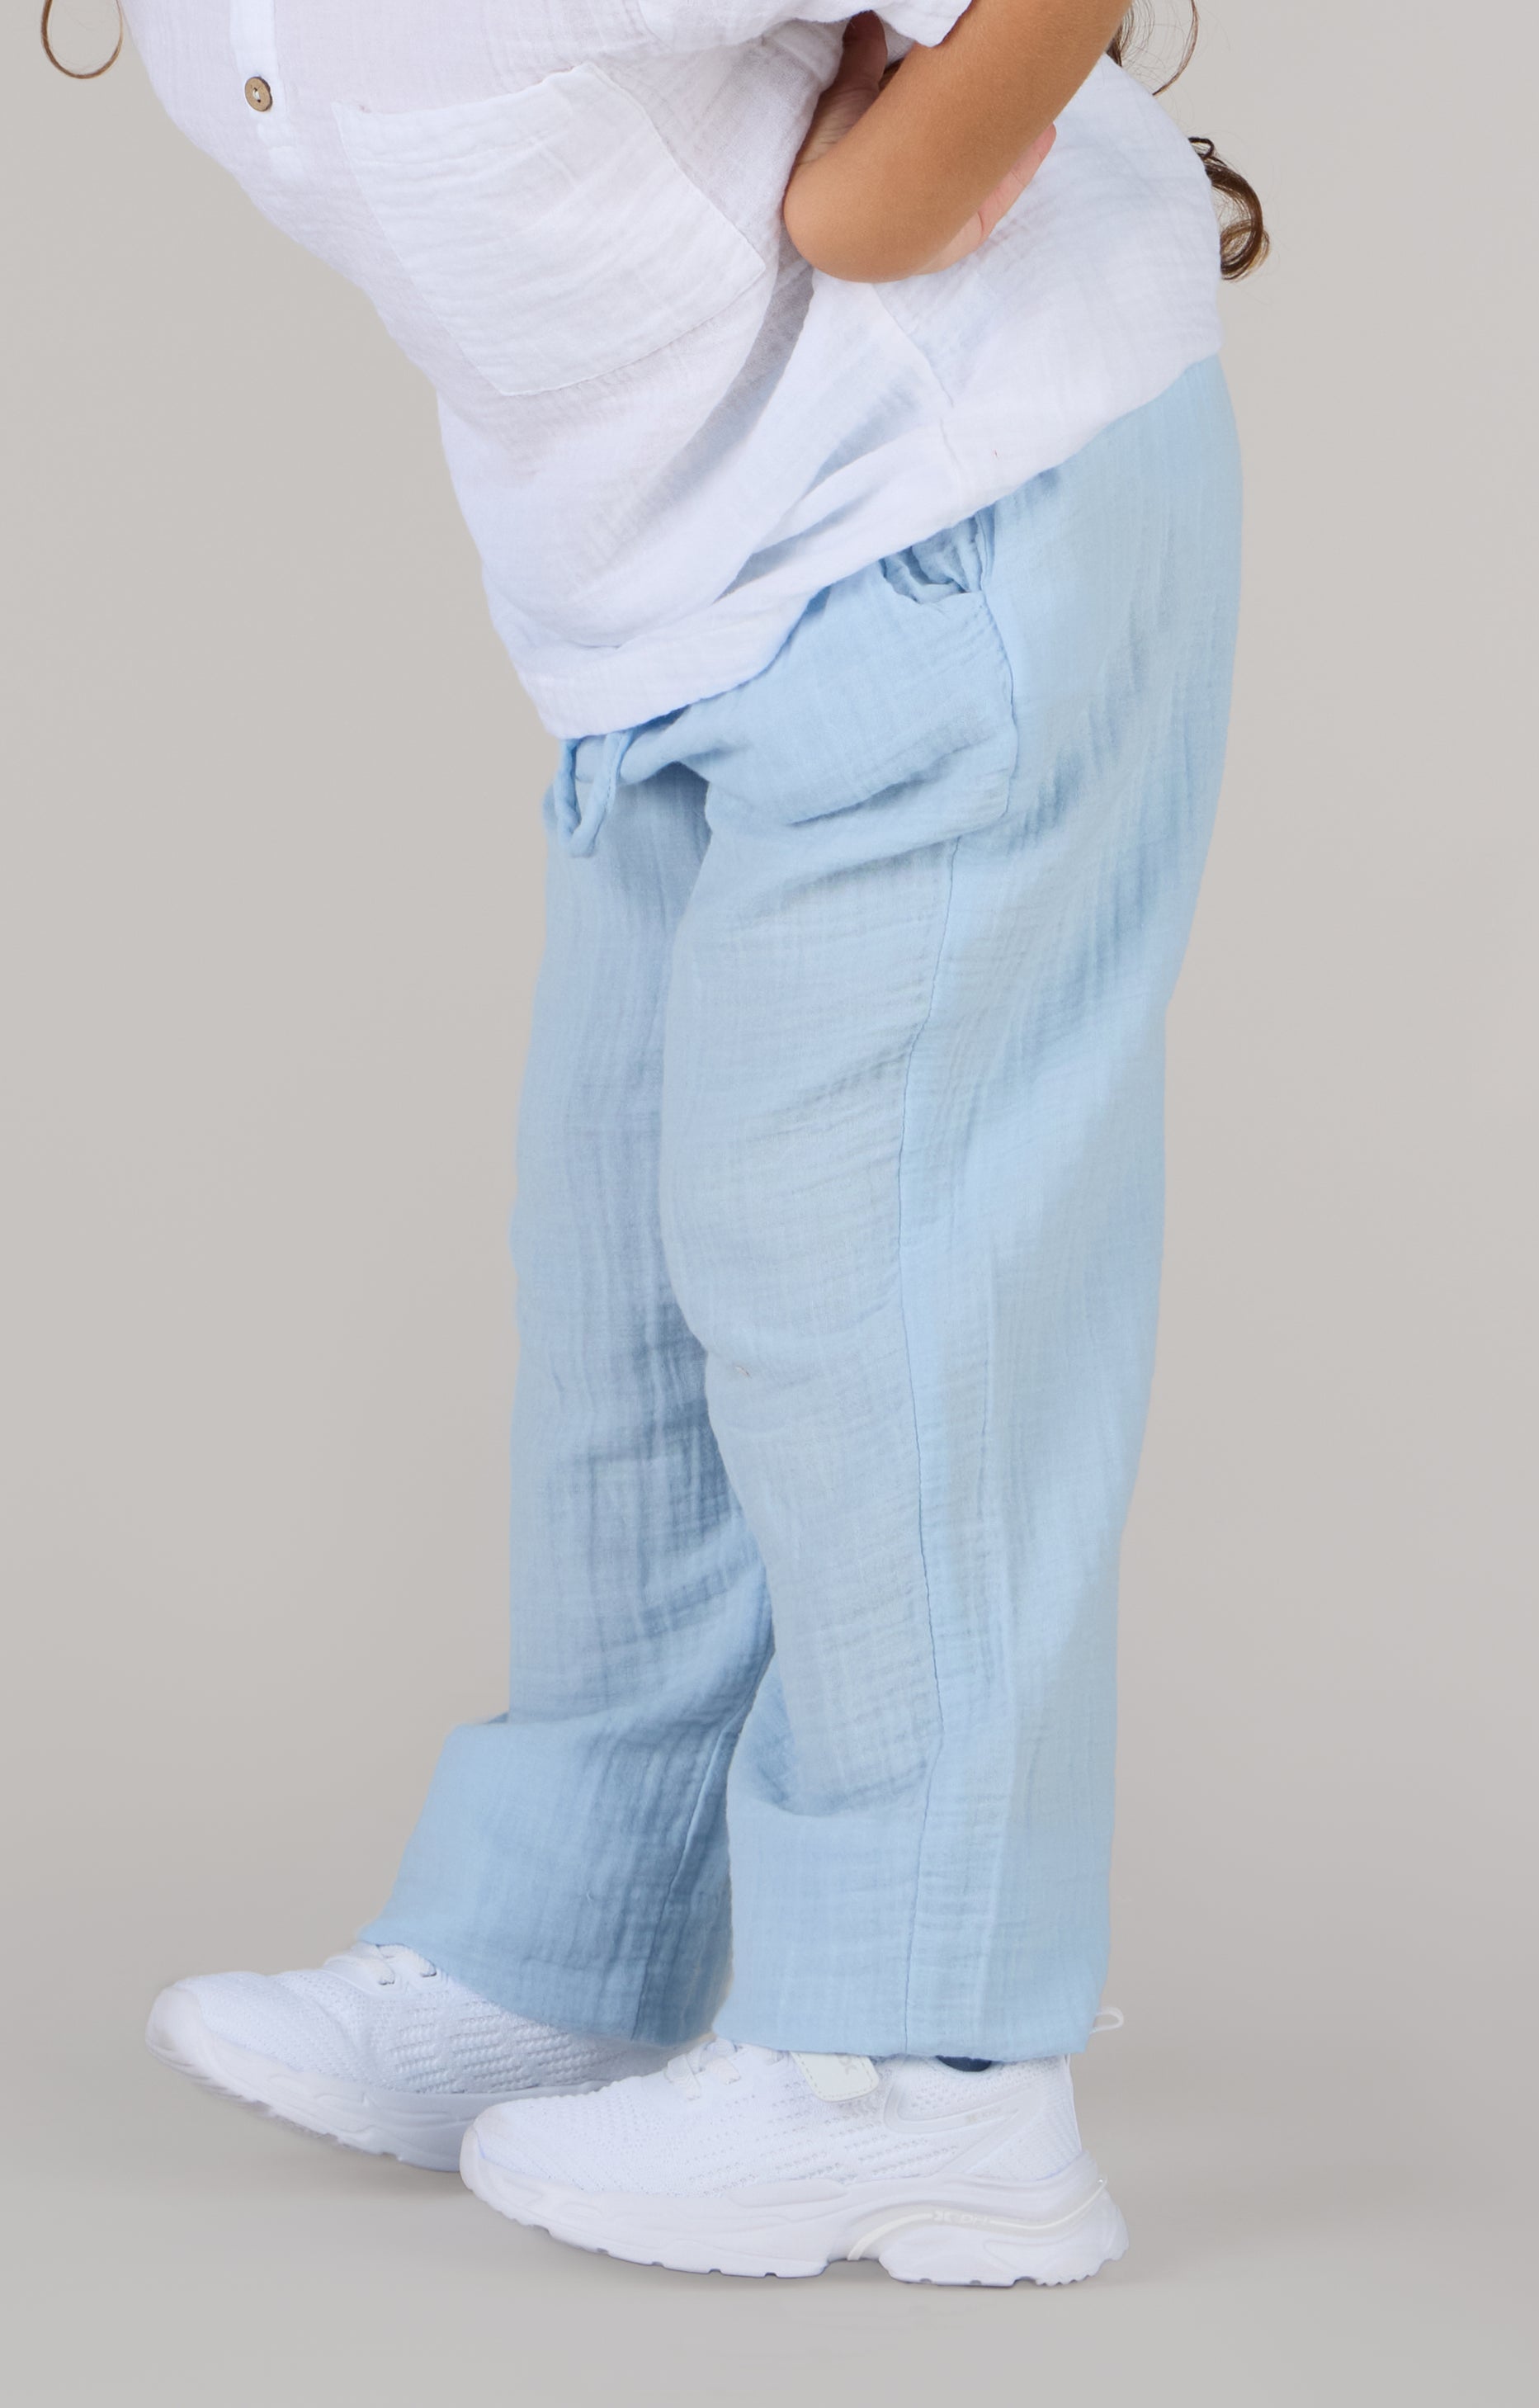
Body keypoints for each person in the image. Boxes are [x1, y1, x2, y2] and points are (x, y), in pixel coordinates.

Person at [51, 0, 1265, 2285]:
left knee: (872, 1294)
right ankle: (562, 1955)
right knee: (621, 1294)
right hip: (658, 630)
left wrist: (876, 202)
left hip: (949, 516)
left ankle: (927, 2072)